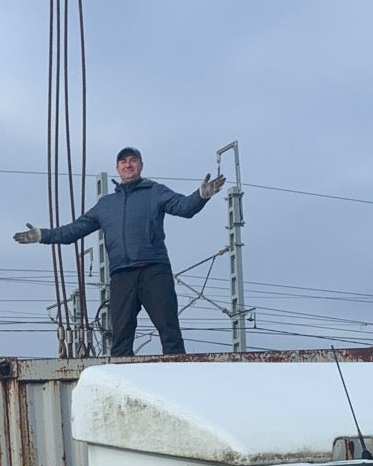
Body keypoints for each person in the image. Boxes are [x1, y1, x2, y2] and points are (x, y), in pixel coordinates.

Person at [14, 147, 225, 356]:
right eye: (123, 162)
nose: (128, 164)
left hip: (154, 270)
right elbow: (73, 231)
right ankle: (121, 379)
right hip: (122, 275)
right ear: (117, 168)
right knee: (121, 336)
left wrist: (201, 195)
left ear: (141, 165)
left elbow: (184, 208)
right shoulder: (106, 205)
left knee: (169, 329)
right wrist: (42, 235)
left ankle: (177, 375)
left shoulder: (155, 191)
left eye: (133, 160)